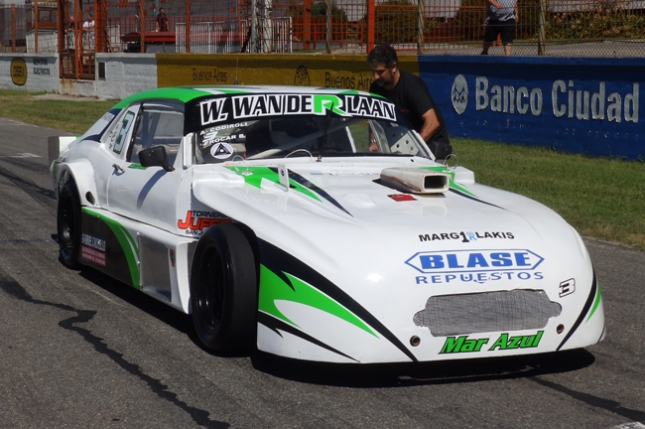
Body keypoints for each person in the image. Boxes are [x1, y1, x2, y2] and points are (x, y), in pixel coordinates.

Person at [367, 44, 452, 160]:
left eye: (380, 72)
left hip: (431, 144)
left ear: (393, 67)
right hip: (404, 145)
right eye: (373, 72)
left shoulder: (411, 86)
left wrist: (413, 149)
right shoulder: (375, 89)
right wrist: (373, 142)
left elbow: (432, 122)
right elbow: (374, 120)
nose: (375, 77)